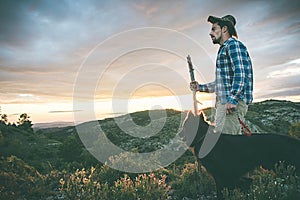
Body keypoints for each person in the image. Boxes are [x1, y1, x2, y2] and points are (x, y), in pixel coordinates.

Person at [190, 15, 253, 134]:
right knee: (224, 143)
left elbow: (241, 73)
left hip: (230, 104)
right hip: (224, 103)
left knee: (228, 146)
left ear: (224, 29)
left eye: (214, 29)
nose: (210, 33)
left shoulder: (233, 45)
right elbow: (221, 84)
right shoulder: (223, 49)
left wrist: (233, 99)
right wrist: (200, 87)